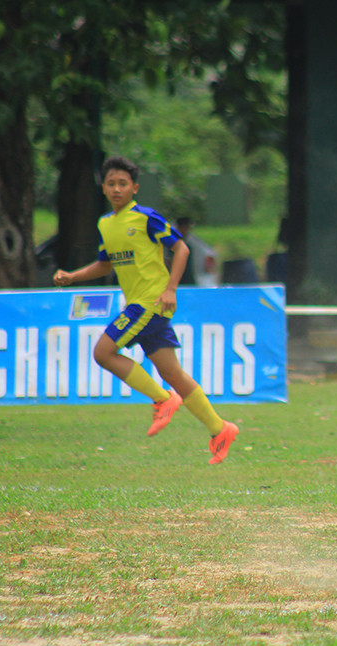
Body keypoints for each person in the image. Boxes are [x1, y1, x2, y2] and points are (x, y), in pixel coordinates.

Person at [53, 156, 239, 464]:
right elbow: (105, 263)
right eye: (111, 183)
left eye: (123, 184)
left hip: (150, 303)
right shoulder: (106, 224)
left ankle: (162, 399)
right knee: (173, 373)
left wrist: (170, 289)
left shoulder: (145, 217)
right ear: (103, 187)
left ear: (134, 188)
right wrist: (73, 277)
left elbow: (181, 248)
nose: (116, 189)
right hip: (141, 306)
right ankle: (220, 429)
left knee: (103, 352)